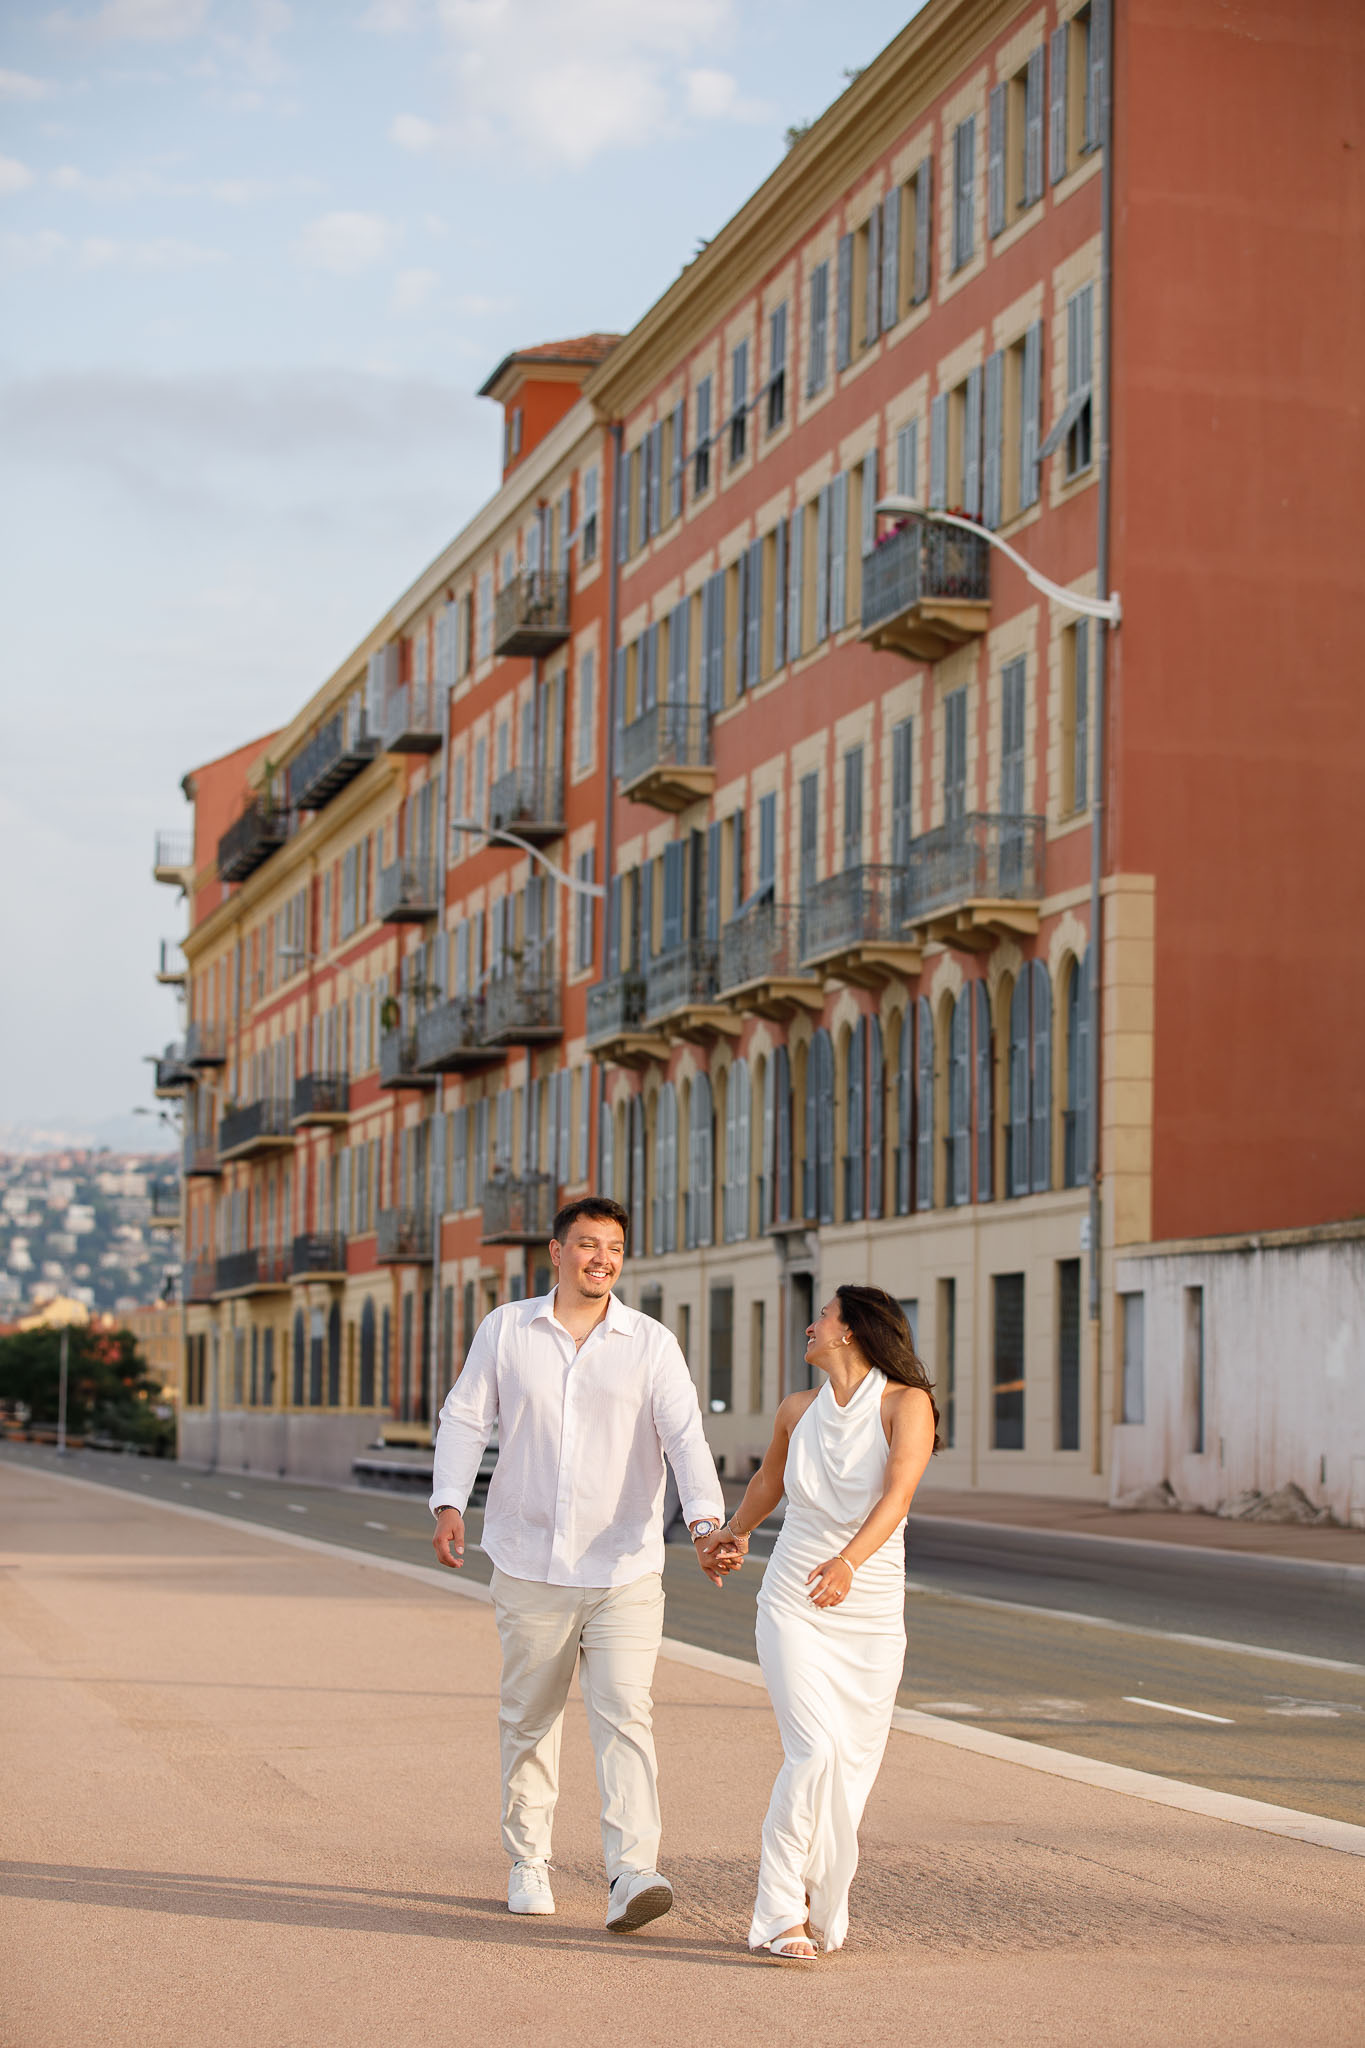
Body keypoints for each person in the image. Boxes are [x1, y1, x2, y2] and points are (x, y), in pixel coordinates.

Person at [429, 1195, 728, 1933]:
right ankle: (529, 1859)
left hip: (624, 1567)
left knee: (625, 1715)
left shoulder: (650, 1342)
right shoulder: (507, 1329)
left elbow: (685, 1438)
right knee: (530, 1720)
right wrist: (448, 1503)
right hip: (529, 1562)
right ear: (557, 1252)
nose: (602, 1259)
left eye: (615, 1248)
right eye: (589, 1244)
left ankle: (632, 1872)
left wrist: (704, 1524)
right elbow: (466, 1417)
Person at [699, 1286, 939, 1961]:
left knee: (850, 1768)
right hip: (794, 1600)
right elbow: (767, 1484)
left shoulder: (906, 1404)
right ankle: (779, 1914)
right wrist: (731, 1533)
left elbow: (898, 1494)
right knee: (813, 1753)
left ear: (852, 1330)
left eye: (823, 1316)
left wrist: (849, 1562)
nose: (810, 1326)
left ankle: (811, 1891)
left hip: (868, 1612)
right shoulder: (796, 1409)